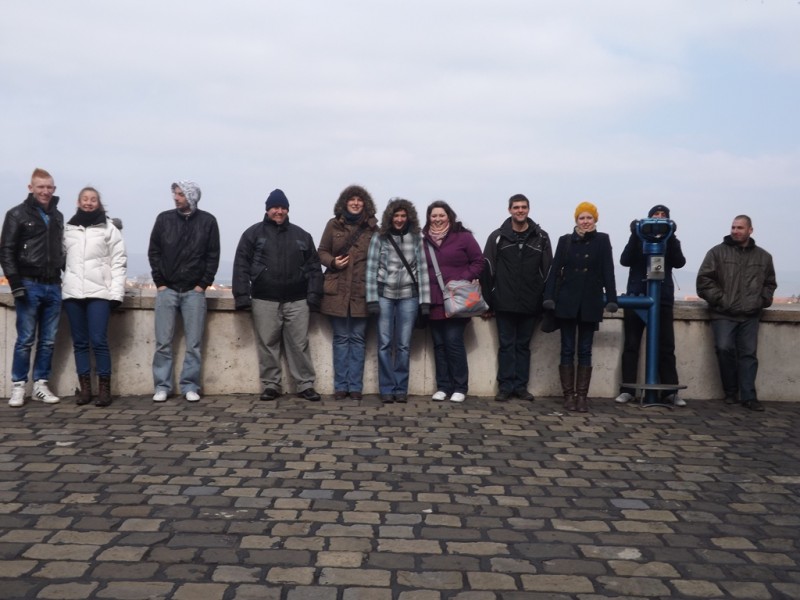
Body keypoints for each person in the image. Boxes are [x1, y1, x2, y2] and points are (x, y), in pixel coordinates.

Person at [232, 189, 323, 402]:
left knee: (299, 345)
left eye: (283, 208)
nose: (279, 211)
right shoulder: (252, 234)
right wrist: (242, 296)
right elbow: (241, 265)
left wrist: (314, 296)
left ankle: (305, 384)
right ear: (267, 209)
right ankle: (271, 385)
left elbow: (314, 268)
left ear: (288, 210)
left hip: (298, 300)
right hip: (265, 298)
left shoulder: (302, 235)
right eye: (275, 207)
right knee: (267, 344)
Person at [148, 180, 220, 403]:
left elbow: (213, 255)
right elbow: (154, 251)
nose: (176, 198)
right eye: (175, 193)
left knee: (194, 344)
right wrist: (160, 282)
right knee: (163, 343)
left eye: (180, 194)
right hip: (167, 289)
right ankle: (162, 386)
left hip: (194, 291)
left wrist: (202, 285)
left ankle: (190, 385)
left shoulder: (208, 221)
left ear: (191, 196)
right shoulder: (164, 219)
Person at [696, 215, 777, 412]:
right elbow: (704, 281)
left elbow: (770, 283)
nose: (735, 231)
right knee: (724, 348)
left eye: (740, 228)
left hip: (750, 314)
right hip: (723, 313)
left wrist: (761, 301)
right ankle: (730, 391)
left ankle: (749, 396)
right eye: (733, 227)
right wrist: (722, 300)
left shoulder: (764, 257)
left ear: (750, 230)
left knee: (748, 354)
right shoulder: (716, 252)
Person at [543, 201, 617, 413]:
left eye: (589, 218)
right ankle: (568, 395)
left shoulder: (602, 240)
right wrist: (549, 297)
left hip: (590, 302)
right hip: (567, 302)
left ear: (595, 219)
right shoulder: (565, 241)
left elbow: (608, 270)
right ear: (576, 220)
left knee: (585, 350)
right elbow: (554, 270)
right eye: (581, 218)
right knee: (567, 349)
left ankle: (582, 396)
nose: (585, 221)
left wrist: (612, 298)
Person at [1, 168, 65, 407]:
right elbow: (6, 250)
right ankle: (18, 386)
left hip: (53, 284)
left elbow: (61, 249)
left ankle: (40, 384)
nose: (45, 191)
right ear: (31, 188)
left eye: (49, 187)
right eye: (41, 187)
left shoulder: (57, 216)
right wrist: (15, 283)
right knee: (26, 339)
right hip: (28, 283)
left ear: (54, 189)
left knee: (48, 340)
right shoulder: (16, 214)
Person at [482, 194, 552, 402]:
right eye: (516, 207)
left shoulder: (541, 237)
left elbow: (548, 270)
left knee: (523, 346)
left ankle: (521, 387)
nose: (520, 210)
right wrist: (488, 302)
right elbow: (487, 270)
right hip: (504, 301)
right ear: (509, 210)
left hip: (531, 302)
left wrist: (544, 300)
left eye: (523, 207)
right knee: (506, 346)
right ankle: (505, 387)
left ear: (528, 209)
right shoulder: (497, 237)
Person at [62, 187, 127, 407]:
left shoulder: (109, 228)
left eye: (93, 199)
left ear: (98, 203)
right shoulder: (68, 229)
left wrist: (116, 293)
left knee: (99, 340)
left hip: (99, 292)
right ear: (78, 202)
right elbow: (61, 258)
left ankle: (104, 390)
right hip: (73, 293)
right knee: (80, 342)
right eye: (85, 199)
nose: (88, 203)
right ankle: (85, 390)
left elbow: (118, 261)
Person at [616, 205, 686, 407]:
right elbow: (625, 260)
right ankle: (627, 390)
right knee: (631, 345)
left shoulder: (670, 241)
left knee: (666, 347)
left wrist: (670, 236)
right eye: (655, 216)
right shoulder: (638, 239)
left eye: (664, 217)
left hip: (662, 298)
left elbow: (679, 262)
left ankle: (670, 391)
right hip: (637, 296)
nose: (659, 220)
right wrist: (635, 234)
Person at [365, 198, 431, 404]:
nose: (400, 219)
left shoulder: (416, 238)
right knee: (384, 343)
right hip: (384, 295)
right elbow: (371, 270)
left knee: (403, 345)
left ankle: (401, 388)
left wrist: (425, 302)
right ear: (390, 217)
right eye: (396, 215)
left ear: (409, 217)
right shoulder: (379, 238)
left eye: (403, 216)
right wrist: (372, 299)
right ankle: (386, 388)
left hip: (408, 296)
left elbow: (422, 270)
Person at [317, 185, 378, 401]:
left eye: (359, 200)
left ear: (365, 204)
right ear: (344, 203)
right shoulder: (333, 225)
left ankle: (356, 387)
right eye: (352, 199)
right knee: (341, 339)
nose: (356, 203)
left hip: (362, 290)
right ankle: (341, 386)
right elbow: (322, 251)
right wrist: (333, 262)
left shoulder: (373, 229)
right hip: (337, 290)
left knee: (358, 339)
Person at [422, 200, 484, 403]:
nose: (437, 219)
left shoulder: (463, 237)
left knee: (453, 341)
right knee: (439, 345)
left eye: (441, 215)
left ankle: (460, 386)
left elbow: (479, 261)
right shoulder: (424, 241)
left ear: (449, 216)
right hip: (434, 300)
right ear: (429, 218)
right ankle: (443, 387)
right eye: (434, 216)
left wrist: (462, 279)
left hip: (458, 300)